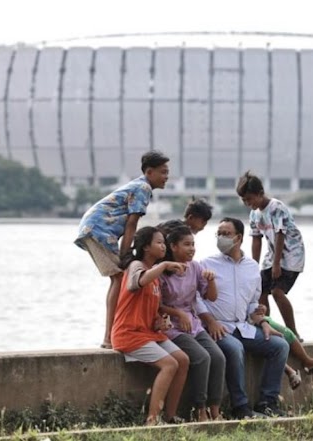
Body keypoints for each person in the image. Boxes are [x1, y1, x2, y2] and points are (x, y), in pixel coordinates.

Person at [74, 150, 170, 349]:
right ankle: (109, 336)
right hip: (100, 230)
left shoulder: (140, 185)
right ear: (149, 172)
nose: (166, 177)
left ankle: (114, 333)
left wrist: (126, 254)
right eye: (163, 172)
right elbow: (132, 223)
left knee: (119, 278)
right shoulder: (143, 187)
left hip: (95, 228)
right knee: (118, 278)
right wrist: (126, 254)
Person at [196, 217, 290, 419]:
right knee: (234, 348)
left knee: (280, 345)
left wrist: (262, 319)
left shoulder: (252, 267)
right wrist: (210, 321)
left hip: (243, 327)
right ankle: (241, 407)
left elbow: (252, 303)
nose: (221, 237)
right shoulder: (206, 264)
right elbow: (195, 297)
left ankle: (267, 402)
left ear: (238, 238)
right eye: (218, 233)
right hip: (218, 327)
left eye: (226, 234)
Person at [111, 226, 190, 425]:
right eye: (159, 242)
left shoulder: (155, 280)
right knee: (169, 364)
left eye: (164, 242)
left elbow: (149, 312)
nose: (163, 246)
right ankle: (152, 420)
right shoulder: (136, 266)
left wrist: (160, 322)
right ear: (146, 247)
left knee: (182, 359)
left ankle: (170, 416)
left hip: (148, 333)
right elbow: (134, 284)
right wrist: (163, 267)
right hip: (128, 334)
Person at [158, 225, 226, 422]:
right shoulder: (162, 271)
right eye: (186, 245)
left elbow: (211, 297)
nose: (191, 249)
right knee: (202, 358)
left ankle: (215, 409)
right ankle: (200, 409)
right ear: (173, 247)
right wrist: (178, 313)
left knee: (218, 357)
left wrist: (211, 280)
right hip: (172, 326)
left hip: (193, 324)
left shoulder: (196, 267)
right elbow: (156, 305)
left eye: (193, 244)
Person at [236, 171, 305, 340]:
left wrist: (276, 264)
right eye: (244, 200)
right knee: (261, 291)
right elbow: (256, 239)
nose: (247, 203)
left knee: (277, 292)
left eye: (250, 199)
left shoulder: (276, 208)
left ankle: (293, 332)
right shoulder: (254, 213)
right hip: (273, 254)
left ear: (260, 194)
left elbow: (280, 234)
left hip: (291, 256)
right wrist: (253, 265)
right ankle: (269, 326)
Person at [249, 305, 313, 390]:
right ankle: (290, 370)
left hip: (256, 317)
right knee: (271, 342)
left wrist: (262, 308)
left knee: (285, 333)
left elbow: (255, 302)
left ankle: (306, 361)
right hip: (244, 322)